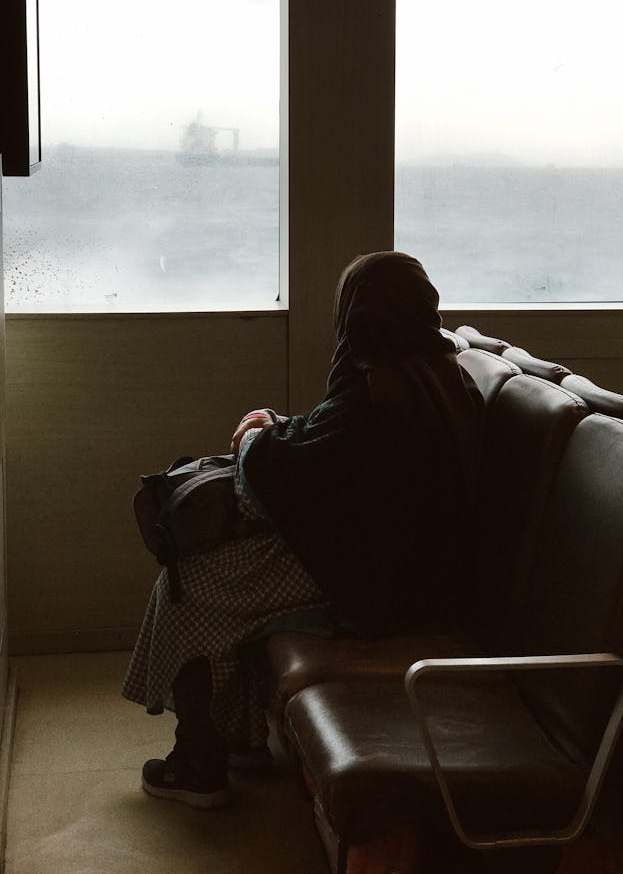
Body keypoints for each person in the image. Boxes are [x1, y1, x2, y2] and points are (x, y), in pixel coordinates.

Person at [122, 250, 483, 808]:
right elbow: (331, 456)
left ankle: (199, 762)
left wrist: (253, 435)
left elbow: (280, 473)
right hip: (417, 572)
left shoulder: (372, 395)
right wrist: (279, 432)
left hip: (376, 593)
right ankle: (236, 740)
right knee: (223, 572)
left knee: (188, 583)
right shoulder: (445, 379)